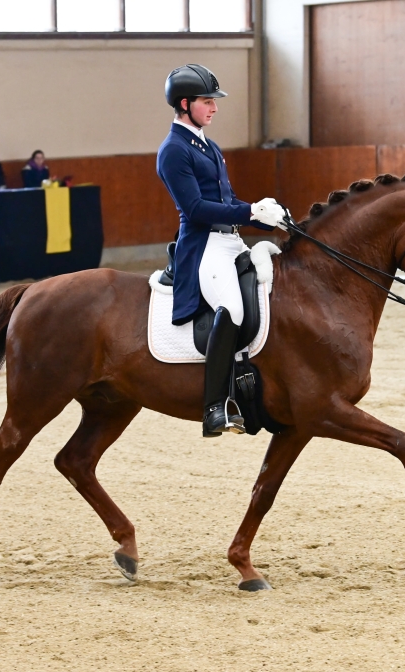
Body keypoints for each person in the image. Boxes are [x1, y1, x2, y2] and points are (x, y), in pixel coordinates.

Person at [156, 64, 288, 438]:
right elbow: (196, 209)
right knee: (232, 306)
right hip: (204, 246)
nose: (214, 108)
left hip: (229, 240)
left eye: (214, 101)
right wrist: (249, 211)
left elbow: (226, 201)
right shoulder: (174, 150)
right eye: (206, 101)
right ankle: (214, 406)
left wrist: (268, 219)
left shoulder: (207, 145)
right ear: (184, 104)